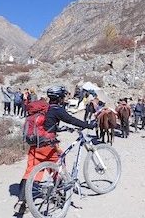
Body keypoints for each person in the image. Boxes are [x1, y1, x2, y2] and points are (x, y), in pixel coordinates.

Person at [14, 85, 95, 214]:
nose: (64, 98)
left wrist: (60, 129)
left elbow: (47, 125)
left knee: (30, 172)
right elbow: (71, 119)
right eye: (63, 96)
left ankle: (21, 201)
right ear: (59, 98)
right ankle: (61, 195)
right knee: (60, 165)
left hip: (35, 145)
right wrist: (88, 125)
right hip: (48, 146)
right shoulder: (57, 109)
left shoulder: (44, 109)